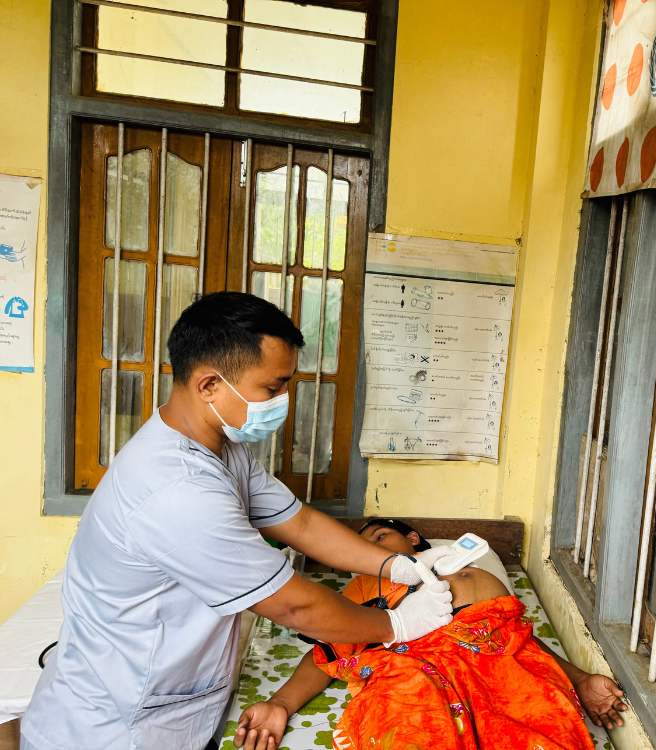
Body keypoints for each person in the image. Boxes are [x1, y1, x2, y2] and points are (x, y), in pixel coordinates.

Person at [21, 294, 454, 750]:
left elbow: (301, 524)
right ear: (209, 384)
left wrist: (394, 567)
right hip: (118, 727)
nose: (283, 401)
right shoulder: (177, 490)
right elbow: (294, 606)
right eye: (272, 387)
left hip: (175, 702)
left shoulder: (219, 450)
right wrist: (397, 626)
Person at [233, 519, 630, 750]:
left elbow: (512, 640)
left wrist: (580, 680)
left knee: (532, 722)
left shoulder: (462, 573)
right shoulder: (363, 595)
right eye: (360, 547)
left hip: (492, 669)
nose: (372, 552)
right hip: (412, 670)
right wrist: (280, 704)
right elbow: (331, 652)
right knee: (411, 720)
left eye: (380, 538)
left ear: (412, 540)